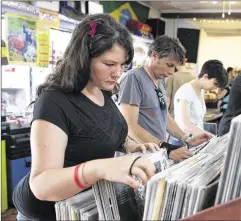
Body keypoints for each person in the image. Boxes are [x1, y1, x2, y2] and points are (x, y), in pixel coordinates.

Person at [13, 14, 157, 220]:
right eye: (109, 64)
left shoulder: (103, 92)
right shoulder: (54, 101)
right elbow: (41, 185)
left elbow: (101, 131)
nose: (118, 73)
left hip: (82, 205)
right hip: (47, 210)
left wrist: (130, 146)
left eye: (122, 65)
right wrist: (99, 168)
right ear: (83, 58)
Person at [118, 35, 212, 162]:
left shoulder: (160, 82)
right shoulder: (134, 78)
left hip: (157, 154)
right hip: (139, 157)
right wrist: (167, 149)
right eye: (169, 65)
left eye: (174, 67)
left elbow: (165, 118)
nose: (172, 72)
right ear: (154, 56)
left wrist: (187, 139)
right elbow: (130, 127)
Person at [173, 60, 227, 139]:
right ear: (205, 76)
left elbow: (197, 122)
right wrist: (211, 137)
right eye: (215, 84)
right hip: (182, 141)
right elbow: (185, 125)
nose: (215, 88)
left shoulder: (200, 91)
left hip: (195, 140)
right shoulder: (186, 91)